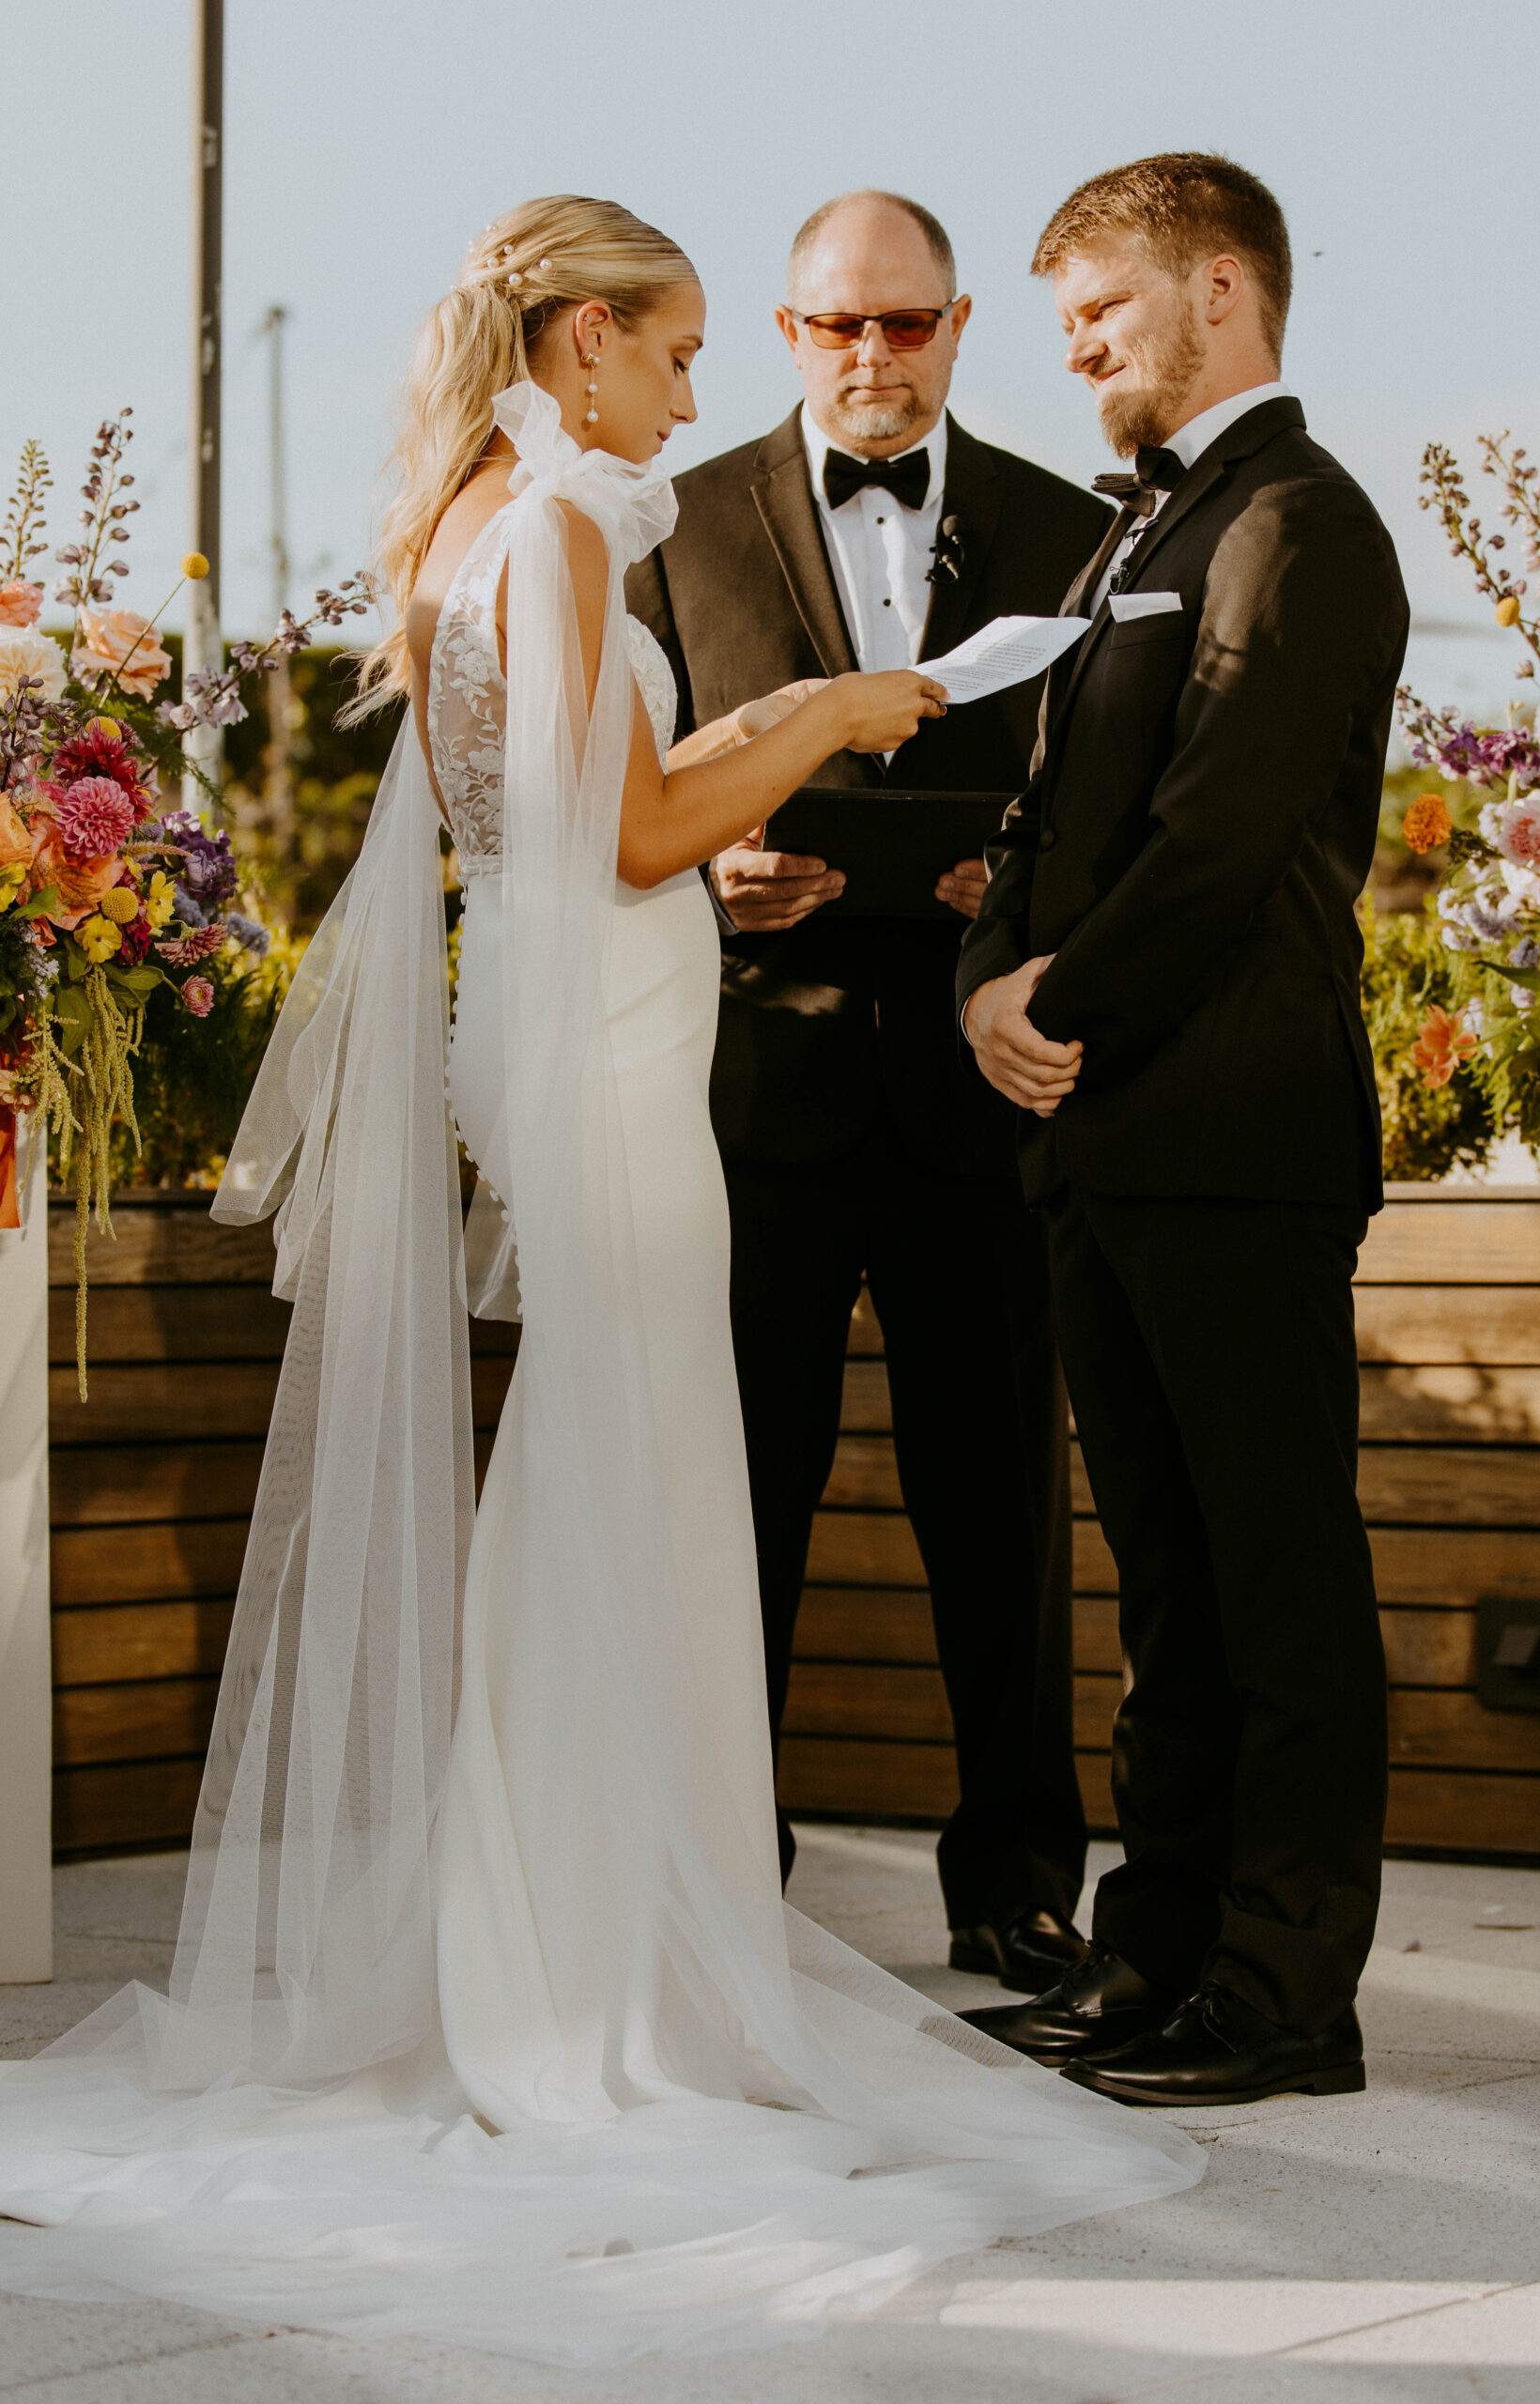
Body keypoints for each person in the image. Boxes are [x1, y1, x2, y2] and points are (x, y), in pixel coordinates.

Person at [0, 197, 1197, 2365]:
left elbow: (561, 821)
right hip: (613, 1029)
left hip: (577, 1016)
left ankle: (584, 1924)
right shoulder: (550, 527)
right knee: (624, 1461)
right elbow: (628, 832)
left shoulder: (484, 514)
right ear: (570, 350)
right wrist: (828, 709)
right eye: (662, 350)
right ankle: (586, 1977)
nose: (682, 386)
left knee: (613, 1462)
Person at [958, 154, 1406, 2108]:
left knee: (1275, 1577)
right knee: (1163, 1589)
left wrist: (1046, 1004)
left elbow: (1219, 828)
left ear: (1219, 288)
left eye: (1097, 318)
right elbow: (1038, 800)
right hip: (1099, 1134)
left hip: (1230, 1124)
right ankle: (1157, 1949)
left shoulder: (1299, 525)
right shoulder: (1129, 532)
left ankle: (1287, 1989)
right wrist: (984, 963)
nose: (1074, 359)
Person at [627, 192, 1112, 1990]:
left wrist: (1028, 893)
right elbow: (601, 792)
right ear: (786, 335)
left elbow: (1105, 790)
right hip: (756, 1097)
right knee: (732, 1496)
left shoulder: (1070, 528)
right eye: (841, 328)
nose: (875, 357)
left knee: (1000, 1502)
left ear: (963, 324)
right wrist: (702, 875)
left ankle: (1016, 1878)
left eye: (907, 325)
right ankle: (718, 1870)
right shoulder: (666, 526)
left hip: (990, 1097)